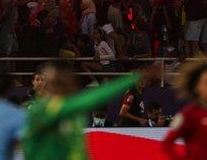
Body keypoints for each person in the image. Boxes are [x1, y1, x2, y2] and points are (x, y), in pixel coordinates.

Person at [22, 62, 156, 160]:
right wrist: (132, 79)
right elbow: (93, 98)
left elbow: (78, 147)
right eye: (39, 80)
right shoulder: (45, 110)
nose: (42, 83)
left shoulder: (68, 108)